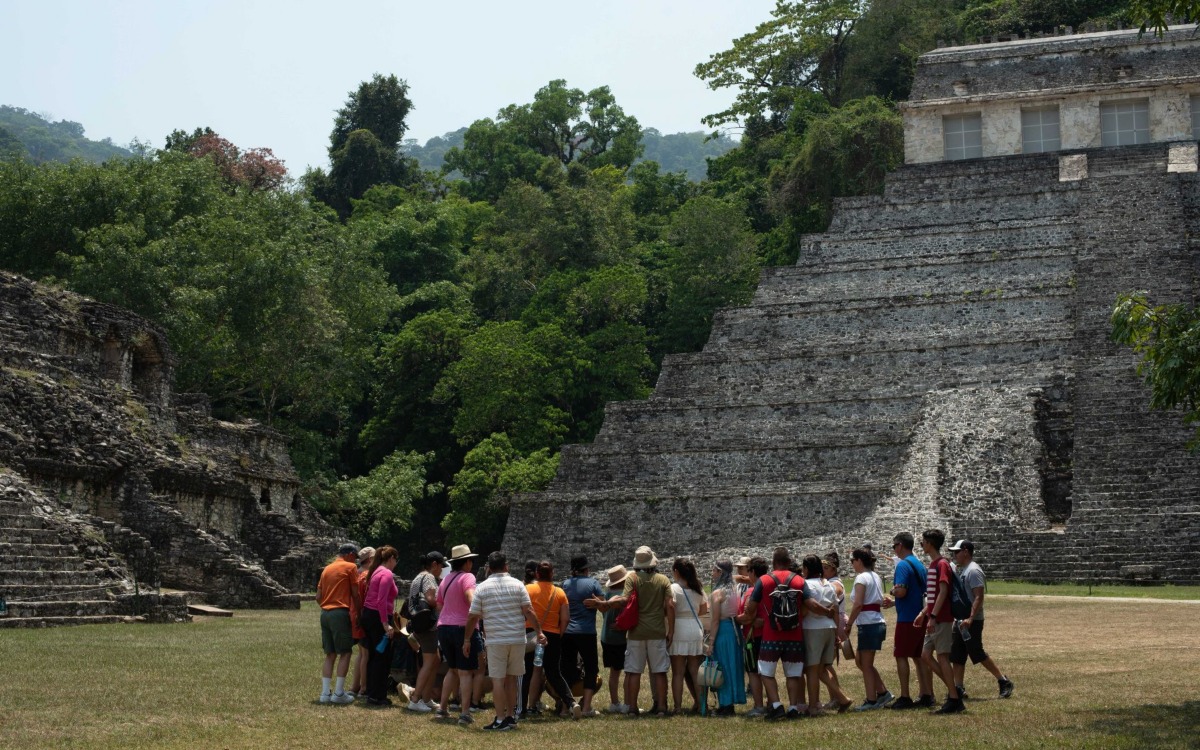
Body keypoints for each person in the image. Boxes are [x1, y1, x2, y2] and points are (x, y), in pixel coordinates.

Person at [739, 547, 833, 721]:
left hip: (771, 634)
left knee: (766, 672)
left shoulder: (764, 580)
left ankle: (776, 705)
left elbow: (751, 609)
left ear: (773, 562)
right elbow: (811, 604)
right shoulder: (798, 580)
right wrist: (828, 612)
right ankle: (792, 707)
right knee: (793, 673)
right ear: (789, 562)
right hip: (794, 635)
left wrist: (742, 619)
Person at [465, 551, 547, 731]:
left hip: (496, 640)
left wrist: (466, 639)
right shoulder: (518, 585)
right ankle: (510, 715)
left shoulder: (483, 588)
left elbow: (472, 617)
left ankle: (500, 718)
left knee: (497, 680)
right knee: (511, 679)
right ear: (506, 566)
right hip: (517, 638)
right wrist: (539, 632)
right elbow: (529, 611)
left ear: (489, 568)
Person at [607, 545, 674, 717]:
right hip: (657, 630)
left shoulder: (632, 579)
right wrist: (671, 631)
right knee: (659, 671)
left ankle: (632, 708)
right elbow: (670, 605)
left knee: (634, 671)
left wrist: (607, 604)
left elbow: (626, 600)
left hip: (636, 632)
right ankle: (661, 707)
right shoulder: (663, 580)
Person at [947, 540, 1014, 700]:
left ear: (966, 551)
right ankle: (958, 687)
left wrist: (970, 618)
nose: (954, 555)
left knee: (977, 652)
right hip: (960, 620)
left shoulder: (974, 571)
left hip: (972, 620)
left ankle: (1003, 681)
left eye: (956, 552)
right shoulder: (964, 570)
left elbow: (979, 597)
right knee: (957, 654)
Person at [914, 529, 964, 714]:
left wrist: (933, 617)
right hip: (934, 617)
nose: (922, 545)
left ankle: (954, 698)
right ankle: (954, 692)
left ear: (930, 544)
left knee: (942, 657)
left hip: (941, 619)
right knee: (926, 655)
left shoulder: (942, 564)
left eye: (923, 542)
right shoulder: (934, 564)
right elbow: (934, 596)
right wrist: (924, 613)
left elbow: (943, 592)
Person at [522, 561, 579, 719]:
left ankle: (525, 707)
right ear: (552, 574)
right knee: (554, 673)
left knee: (528, 672)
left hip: (531, 634)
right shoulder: (559, 592)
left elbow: (523, 612)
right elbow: (566, 619)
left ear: (537, 574)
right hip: (552, 635)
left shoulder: (528, 589)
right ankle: (571, 702)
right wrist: (558, 635)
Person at [882, 532, 933, 709]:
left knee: (901, 655)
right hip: (920, 615)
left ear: (900, 546)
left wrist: (893, 592)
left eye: (894, 546)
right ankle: (926, 693)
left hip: (907, 619)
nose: (894, 549)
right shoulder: (919, 564)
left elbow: (902, 591)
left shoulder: (903, 565)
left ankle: (905, 696)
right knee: (918, 656)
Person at [436, 544, 483, 725]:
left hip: (444, 627)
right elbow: (471, 597)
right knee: (465, 673)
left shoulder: (445, 580)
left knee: (452, 669)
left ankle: (442, 708)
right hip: (462, 628)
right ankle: (464, 713)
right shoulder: (468, 577)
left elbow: (440, 606)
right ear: (467, 562)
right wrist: (477, 611)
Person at [801, 554, 851, 716]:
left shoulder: (806, 585)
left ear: (807, 569)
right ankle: (842, 698)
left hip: (812, 628)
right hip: (829, 628)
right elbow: (835, 610)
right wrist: (836, 632)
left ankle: (814, 705)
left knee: (812, 670)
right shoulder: (828, 585)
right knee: (822, 669)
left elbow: (805, 609)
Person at [845, 547, 894, 710]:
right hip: (875, 622)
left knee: (865, 664)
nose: (852, 564)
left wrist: (849, 623)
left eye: (853, 560)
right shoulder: (875, 577)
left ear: (859, 561)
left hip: (869, 624)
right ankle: (882, 692)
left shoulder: (861, 579)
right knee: (862, 661)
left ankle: (871, 700)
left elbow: (858, 604)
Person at [316, 542, 361, 704]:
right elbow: (355, 594)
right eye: (355, 557)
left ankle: (324, 693)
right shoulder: (350, 567)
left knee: (330, 654)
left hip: (325, 613)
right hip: (340, 612)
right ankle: (339, 692)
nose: (356, 561)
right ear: (349, 554)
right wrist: (359, 612)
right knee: (346, 652)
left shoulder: (327, 569)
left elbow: (318, 596)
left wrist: (327, 606)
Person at [560, 554, 603, 717]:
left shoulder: (565, 584)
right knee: (591, 668)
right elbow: (602, 605)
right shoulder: (593, 583)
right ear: (586, 569)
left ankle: (566, 707)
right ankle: (586, 707)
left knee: (566, 669)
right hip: (586, 632)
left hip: (568, 632)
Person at [705, 558, 746, 716]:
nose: (712, 573)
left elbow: (715, 620)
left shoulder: (717, 593)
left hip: (723, 630)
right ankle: (730, 701)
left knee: (722, 666)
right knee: (732, 664)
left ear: (720, 572)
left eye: (714, 570)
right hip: (734, 629)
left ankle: (726, 703)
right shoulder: (736, 590)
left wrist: (711, 642)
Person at [361, 545, 400, 706]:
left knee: (374, 655)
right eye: (395, 560)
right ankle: (378, 695)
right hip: (378, 618)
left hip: (369, 615)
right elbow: (381, 600)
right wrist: (386, 624)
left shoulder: (375, 571)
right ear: (391, 559)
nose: (396, 563)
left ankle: (371, 692)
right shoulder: (386, 573)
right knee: (382, 657)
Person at [406, 550, 444, 712]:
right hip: (429, 625)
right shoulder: (428, 577)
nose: (441, 570)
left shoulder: (418, 577)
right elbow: (431, 599)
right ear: (434, 564)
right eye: (441, 566)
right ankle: (415, 700)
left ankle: (427, 698)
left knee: (435, 660)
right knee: (429, 662)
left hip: (419, 623)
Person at [669, 557, 708, 714]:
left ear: (677, 572)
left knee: (678, 672)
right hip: (694, 626)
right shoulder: (697, 587)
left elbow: (670, 607)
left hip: (679, 627)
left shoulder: (673, 588)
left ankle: (678, 707)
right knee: (695, 670)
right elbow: (704, 609)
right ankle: (701, 704)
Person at [598, 564, 630, 713]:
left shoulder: (607, 594)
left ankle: (614, 702)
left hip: (606, 636)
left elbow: (604, 614)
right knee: (629, 671)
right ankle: (627, 703)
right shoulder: (625, 595)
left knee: (614, 672)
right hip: (620, 637)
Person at [739, 556, 769, 717]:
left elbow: (748, 615)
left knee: (753, 672)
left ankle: (758, 706)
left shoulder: (752, 591)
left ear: (752, 572)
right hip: (768, 635)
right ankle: (772, 702)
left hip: (753, 636)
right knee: (767, 672)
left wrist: (733, 619)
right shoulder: (770, 587)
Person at [347, 546, 375, 698]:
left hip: (353, 613)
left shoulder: (355, 573)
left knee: (361, 652)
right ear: (370, 560)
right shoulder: (365, 575)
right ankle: (364, 688)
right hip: (361, 615)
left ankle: (354, 686)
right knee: (366, 653)